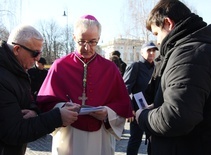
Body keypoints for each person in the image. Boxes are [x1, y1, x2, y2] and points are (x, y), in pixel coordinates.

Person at [37, 14, 132, 155]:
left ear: (99, 39)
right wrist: (62, 109)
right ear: (74, 38)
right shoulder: (60, 66)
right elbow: (45, 102)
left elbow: (122, 105)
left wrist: (107, 112)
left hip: (100, 136)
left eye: (92, 42)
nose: (87, 48)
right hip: (68, 135)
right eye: (82, 41)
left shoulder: (110, 68)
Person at [135, 0, 211, 155]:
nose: (157, 42)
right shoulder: (191, 49)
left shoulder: (190, 53)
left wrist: (143, 116)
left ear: (168, 23)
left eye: (157, 33)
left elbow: (177, 117)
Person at [0, 24, 80, 155]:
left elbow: (27, 102)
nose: (38, 58)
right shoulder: (4, 77)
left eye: (40, 53)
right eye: (35, 53)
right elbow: (13, 132)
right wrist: (57, 117)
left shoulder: (18, 70)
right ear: (16, 49)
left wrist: (34, 112)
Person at [123, 42, 158, 155]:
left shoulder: (158, 67)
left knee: (154, 141)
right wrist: (130, 108)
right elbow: (124, 90)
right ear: (142, 52)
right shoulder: (135, 66)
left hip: (154, 110)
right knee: (135, 140)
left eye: (154, 50)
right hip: (137, 110)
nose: (152, 53)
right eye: (149, 50)